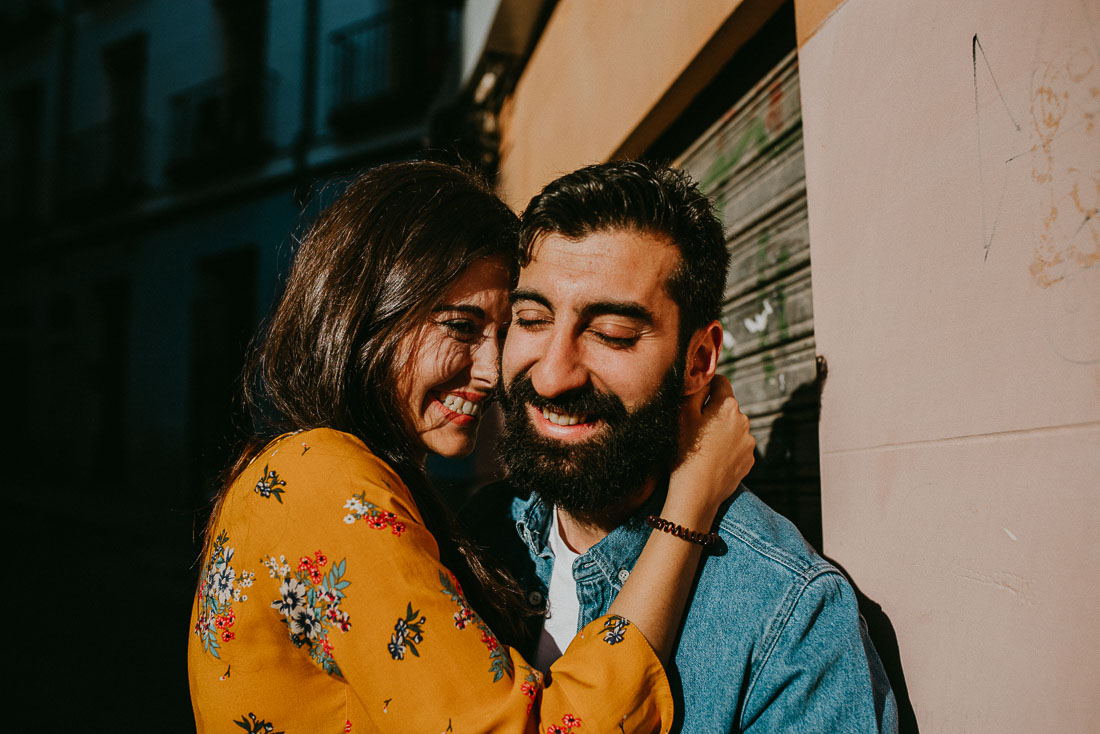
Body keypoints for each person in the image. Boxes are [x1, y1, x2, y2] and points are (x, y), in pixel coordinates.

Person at [187, 160, 757, 733]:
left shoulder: (311, 473)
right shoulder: (321, 483)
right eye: (461, 327)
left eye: (508, 330)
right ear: (366, 313)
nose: (491, 372)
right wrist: (692, 498)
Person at [473, 160, 899, 733]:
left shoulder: (789, 617)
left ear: (698, 362)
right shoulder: (476, 539)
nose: (552, 376)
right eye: (531, 319)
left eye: (612, 334)